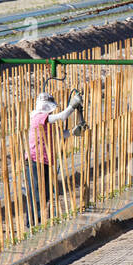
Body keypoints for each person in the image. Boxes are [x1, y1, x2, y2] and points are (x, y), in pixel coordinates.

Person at [26, 89, 83, 225]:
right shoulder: (38, 117)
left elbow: (59, 134)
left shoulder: (47, 122)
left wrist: (73, 131)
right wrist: (72, 105)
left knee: (45, 190)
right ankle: (32, 221)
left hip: (44, 160)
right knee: (36, 191)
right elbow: (62, 116)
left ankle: (41, 218)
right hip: (34, 160)